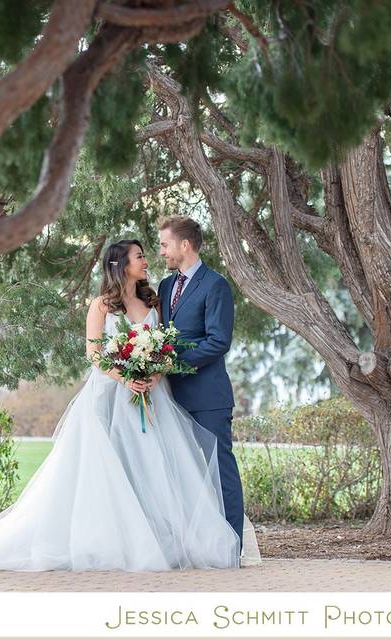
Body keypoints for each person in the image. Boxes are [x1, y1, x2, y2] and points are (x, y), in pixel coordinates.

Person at [0, 239, 260, 571]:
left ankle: (156, 538)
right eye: (139, 255)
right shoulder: (101, 306)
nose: (146, 260)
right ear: (120, 264)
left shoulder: (153, 305)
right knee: (109, 470)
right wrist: (127, 377)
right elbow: (94, 353)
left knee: (152, 468)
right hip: (110, 397)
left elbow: (162, 347)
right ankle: (110, 540)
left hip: (151, 394)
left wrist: (152, 374)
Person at [157, 217, 245, 553]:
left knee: (219, 473)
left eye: (165, 244)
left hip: (207, 397)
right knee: (179, 474)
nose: (162, 251)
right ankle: (190, 545)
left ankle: (229, 548)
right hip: (169, 397)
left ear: (185, 245)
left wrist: (171, 361)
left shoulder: (215, 285)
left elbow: (218, 341)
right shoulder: (165, 287)